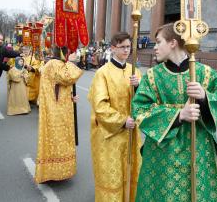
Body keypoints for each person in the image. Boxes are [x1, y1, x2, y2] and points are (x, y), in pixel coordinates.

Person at [131, 23, 217, 201]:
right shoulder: (152, 76)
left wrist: (205, 97)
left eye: (159, 42)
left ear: (173, 43)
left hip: (198, 148)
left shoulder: (205, 74)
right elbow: (140, 110)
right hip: (163, 152)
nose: (155, 47)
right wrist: (179, 115)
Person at [88, 32, 142, 201]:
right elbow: (100, 106)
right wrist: (122, 120)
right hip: (110, 134)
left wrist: (139, 87)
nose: (127, 50)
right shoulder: (102, 73)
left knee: (131, 171)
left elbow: (145, 102)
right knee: (112, 176)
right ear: (113, 48)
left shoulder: (136, 72)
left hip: (132, 132)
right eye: (123, 47)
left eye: (129, 46)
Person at [34, 47, 83, 183]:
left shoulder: (58, 64)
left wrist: (71, 96)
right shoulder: (54, 64)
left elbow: (62, 86)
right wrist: (72, 62)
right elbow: (68, 78)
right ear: (64, 52)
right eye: (71, 52)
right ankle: (54, 172)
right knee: (56, 139)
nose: (74, 54)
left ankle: (63, 169)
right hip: (55, 110)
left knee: (64, 139)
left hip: (62, 108)